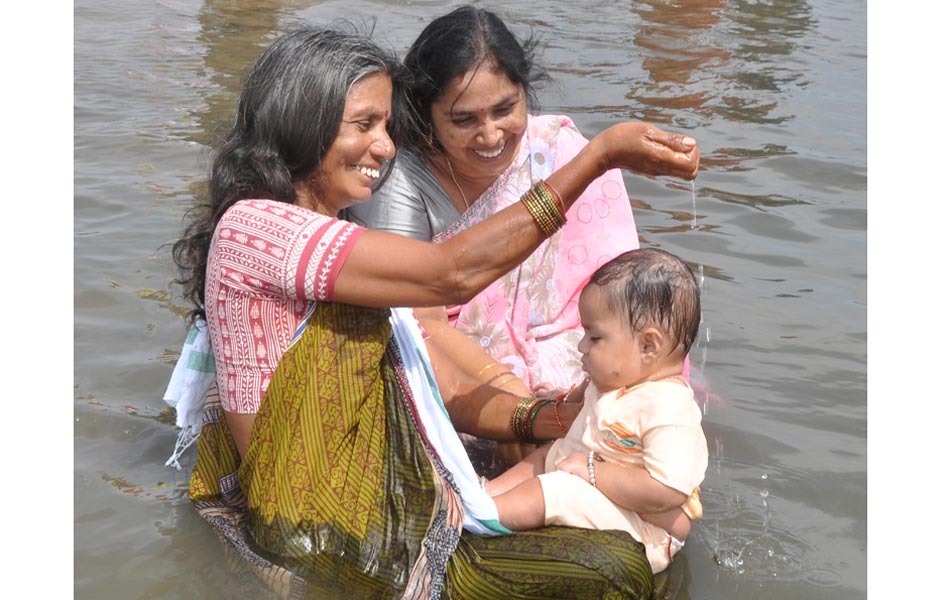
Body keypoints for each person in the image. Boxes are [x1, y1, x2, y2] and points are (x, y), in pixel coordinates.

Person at [171, 24, 699, 599]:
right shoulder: (258, 230)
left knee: (617, 540)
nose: (387, 147)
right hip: (319, 520)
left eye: (387, 126)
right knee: (613, 568)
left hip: (368, 497)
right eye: (365, 125)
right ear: (305, 121)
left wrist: (552, 419)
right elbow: (451, 273)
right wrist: (598, 156)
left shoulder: (337, 233)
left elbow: (433, 380)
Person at [343, 5, 651, 396]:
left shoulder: (556, 150)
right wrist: (510, 398)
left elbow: (621, 293)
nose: (491, 136)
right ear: (425, 114)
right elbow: (415, 320)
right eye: (464, 120)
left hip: (575, 354)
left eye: (506, 109)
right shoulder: (399, 179)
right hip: (455, 376)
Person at [483, 248, 708, 574]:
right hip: (597, 492)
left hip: (644, 534)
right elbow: (586, 399)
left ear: (648, 345)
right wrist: (559, 399)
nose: (581, 346)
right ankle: (487, 494)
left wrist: (593, 473)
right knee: (549, 455)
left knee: (562, 488)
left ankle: (480, 518)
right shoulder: (617, 381)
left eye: (595, 337)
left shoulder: (671, 410)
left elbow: (667, 490)